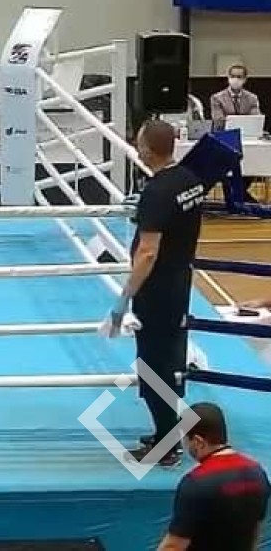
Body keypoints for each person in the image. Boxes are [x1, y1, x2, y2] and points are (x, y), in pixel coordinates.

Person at [107, 118, 205, 466]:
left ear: (147, 149)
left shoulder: (158, 191)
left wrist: (123, 300)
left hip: (157, 288)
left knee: (153, 364)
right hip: (179, 281)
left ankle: (166, 443)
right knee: (168, 358)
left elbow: (148, 252)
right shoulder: (190, 180)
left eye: (139, 143)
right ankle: (167, 433)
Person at [157, 402, 269, 551]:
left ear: (198, 441)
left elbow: (173, 546)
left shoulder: (196, 482)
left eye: (186, 439)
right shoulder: (257, 473)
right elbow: (256, 531)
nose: (185, 445)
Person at [209, 64, 261, 132]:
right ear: (228, 78)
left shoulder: (252, 98)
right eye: (232, 76)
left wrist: (231, 120)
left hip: (246, 133)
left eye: (239, 77)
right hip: (224, 133)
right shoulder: (217, 98)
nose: (235, 79)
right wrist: (243, 122)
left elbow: (255, 120)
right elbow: (219, 121)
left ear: (245, 79)